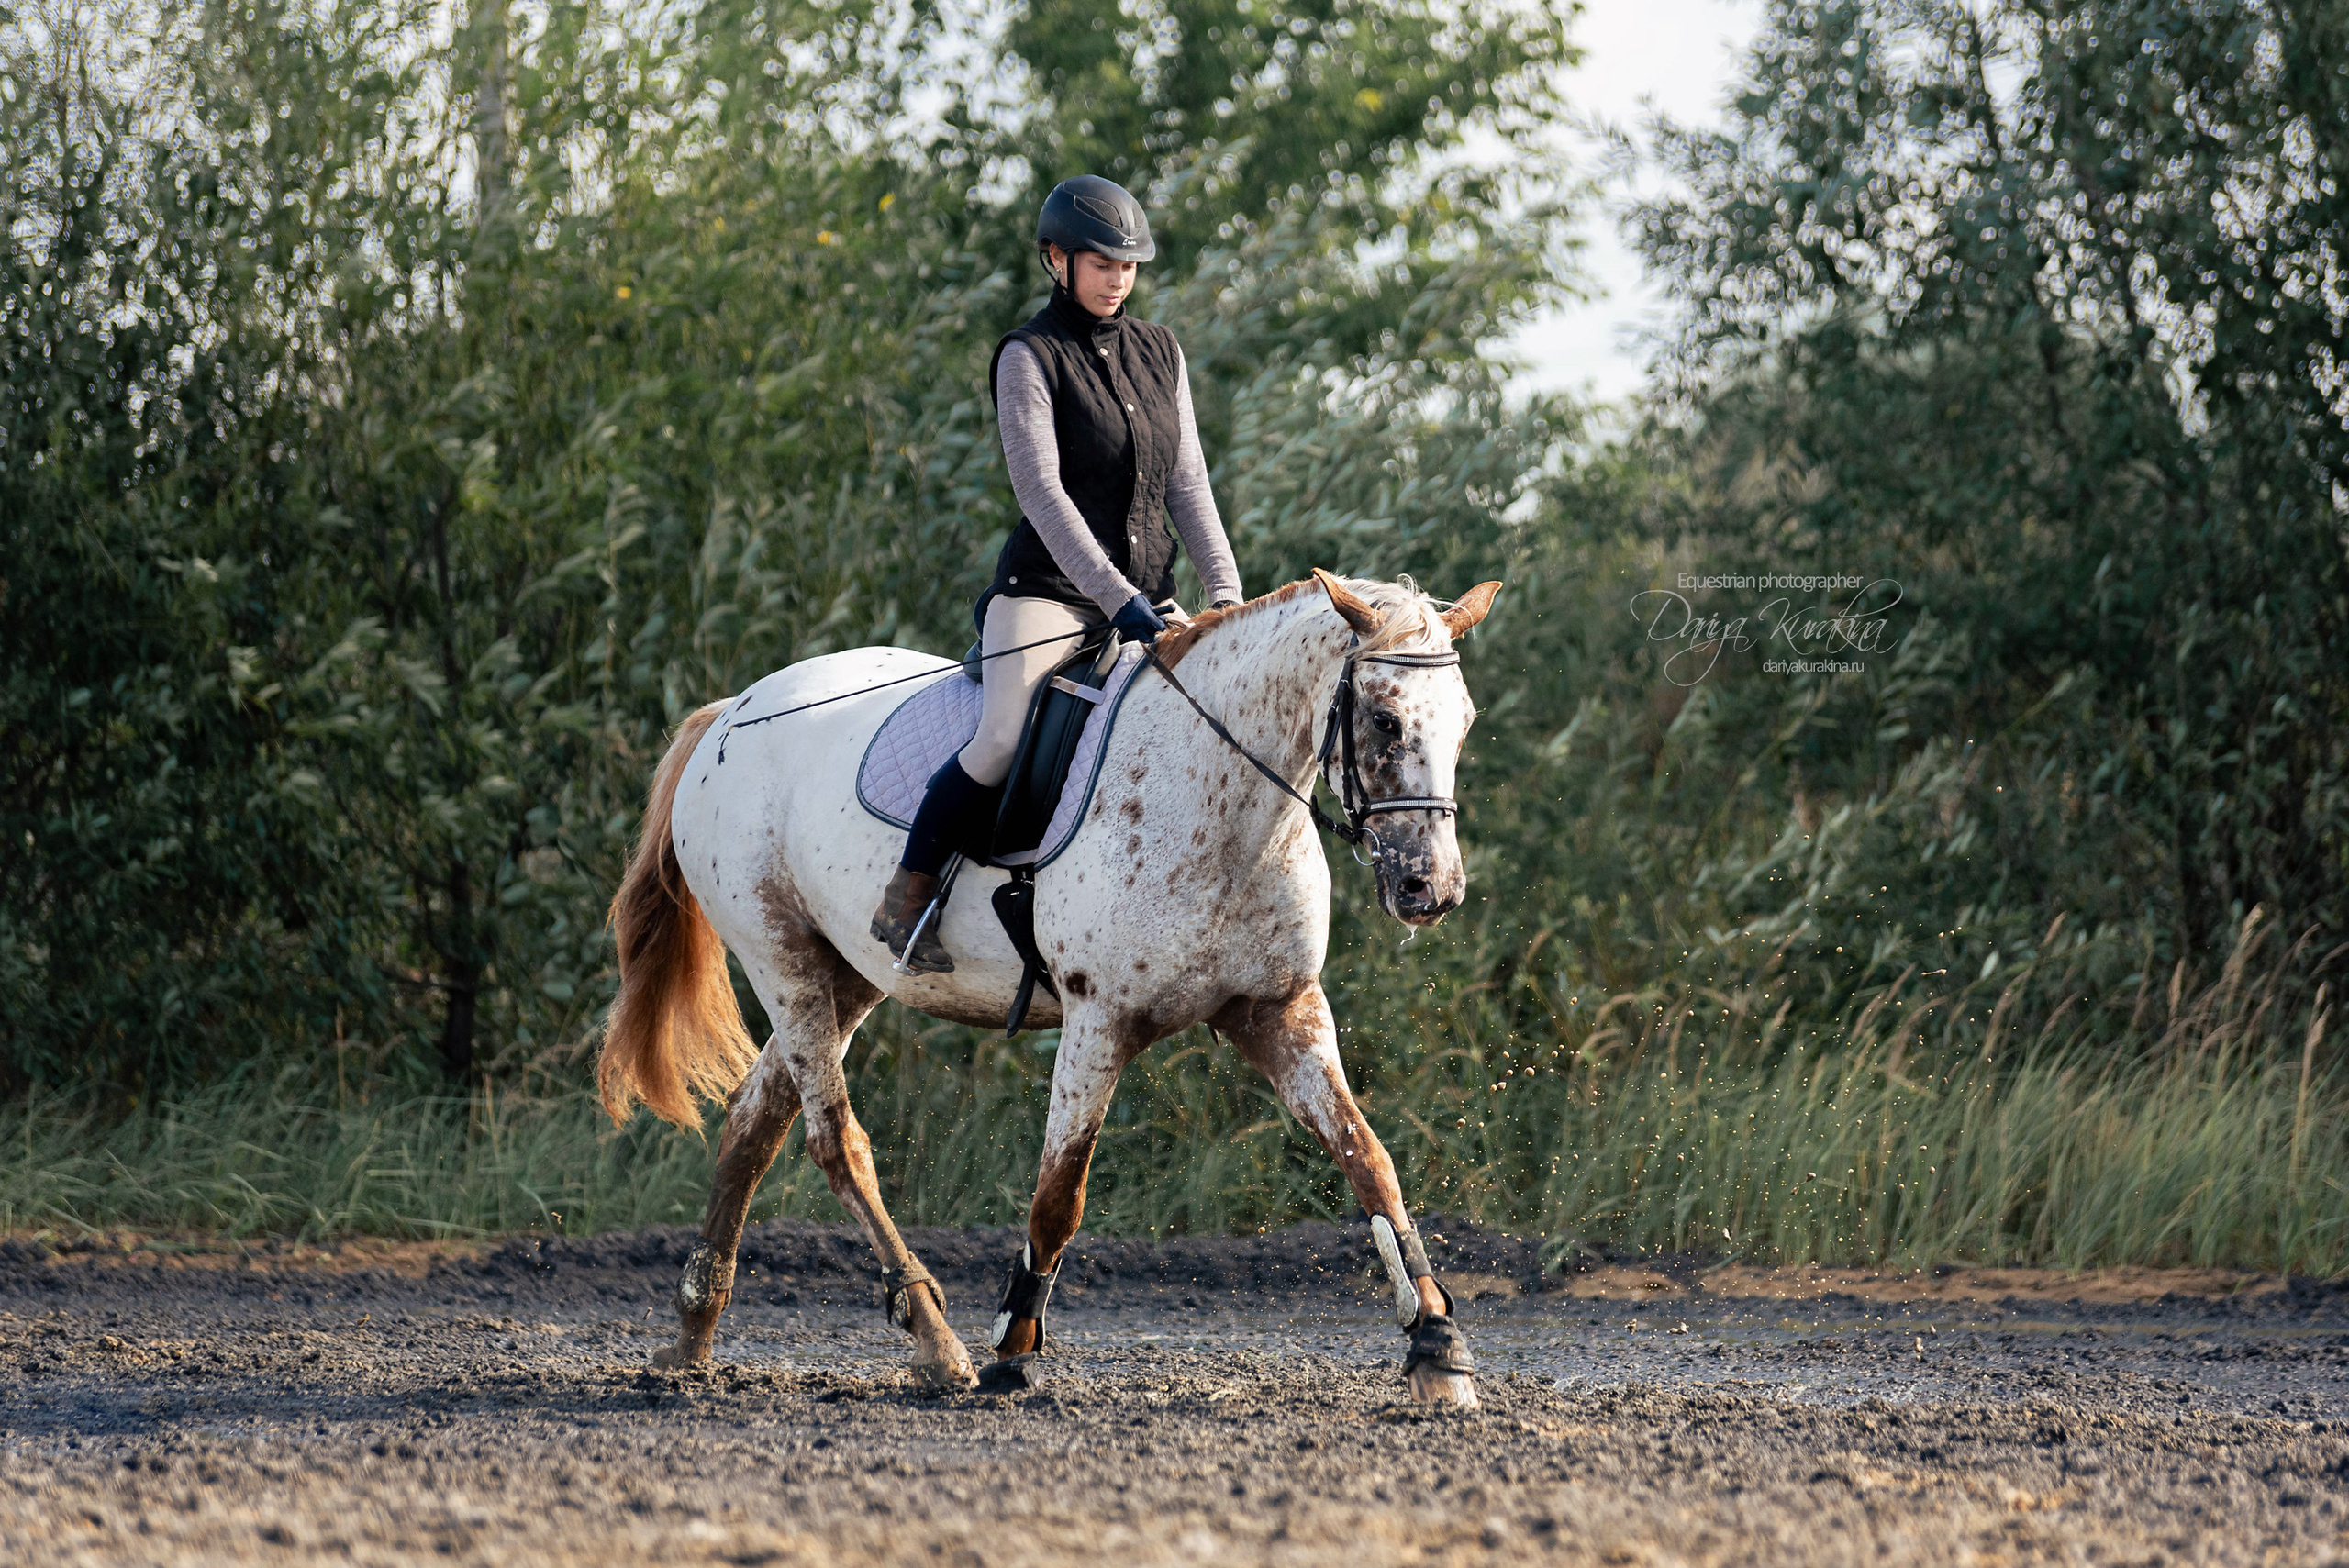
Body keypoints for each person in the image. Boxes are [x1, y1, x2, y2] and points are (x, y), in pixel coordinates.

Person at [870, 175, 1244, 973]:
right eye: (1101, 263)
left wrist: (1228, 599)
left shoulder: (1160, 350)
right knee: (1003, 733)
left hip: (1148, 599)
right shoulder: (1027, 356)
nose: (1117, 279)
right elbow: (1041, 493)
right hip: (1050, 594)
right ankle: (909, 892)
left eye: (1128, 266)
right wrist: (1120, 599)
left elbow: (1190, 488)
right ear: (1056, 259)